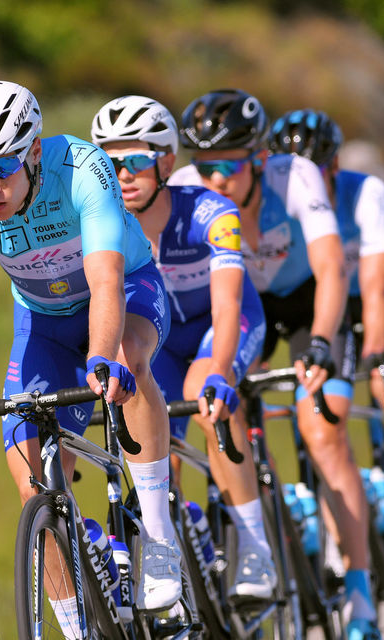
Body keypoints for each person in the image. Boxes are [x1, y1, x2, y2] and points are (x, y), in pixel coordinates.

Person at [0, 80, 182, 626]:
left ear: (34, 150)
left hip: (125, 293)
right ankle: (75, 626)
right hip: (42, 323)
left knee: (128, 356)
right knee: (27, 474)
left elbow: (105, 278)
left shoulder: (83, 167)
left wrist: (102, 356)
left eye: (3, 165)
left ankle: (157, 533)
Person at [169, 89, 377, 639]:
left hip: (310, 301)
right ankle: (263, 525)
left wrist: (321, 345)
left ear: (259, 158)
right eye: (204, 165)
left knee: (322, 426)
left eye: (228, 166)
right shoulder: (189, 189)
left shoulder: (296, 176)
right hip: (244, 306)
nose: (214, 179)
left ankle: (361, 596)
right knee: (219, 407)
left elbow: (333, 270)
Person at [91, 95, 275, 601]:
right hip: (164, 342)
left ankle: (256, 545)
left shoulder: (213, 212)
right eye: (110, 162)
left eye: (136, 161)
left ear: (167, 162)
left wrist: (219, 370)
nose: (122, 174)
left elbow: (228, 303)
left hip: (223, 323)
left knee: (205, 398)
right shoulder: (101, 226)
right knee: (152, 442)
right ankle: (175, 554)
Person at [270, 108, 384, 528]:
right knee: (323, 407)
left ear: (334, 165)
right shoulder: (279, 202)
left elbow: (376, 288)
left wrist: (376, 353)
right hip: (326, 299)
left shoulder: (367, 192)